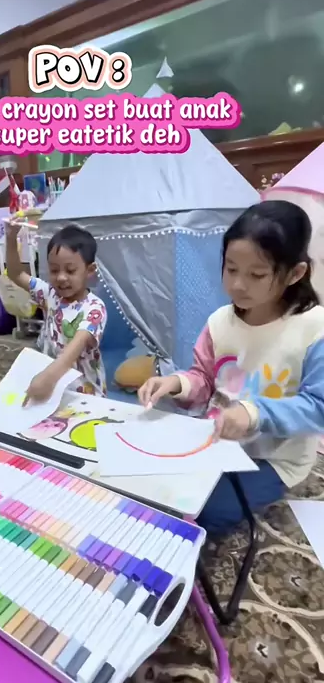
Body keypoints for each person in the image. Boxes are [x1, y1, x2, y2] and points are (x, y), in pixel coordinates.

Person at [138, 200, 324, 534]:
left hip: (274, 458)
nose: (238, 284)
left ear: (295, 274)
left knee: (202, 512)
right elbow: (204, 379)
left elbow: (318, 407)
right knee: (155, 488)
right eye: (231, 269)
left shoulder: (314, 329)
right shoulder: (219, 323)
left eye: (257, 274)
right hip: (217, 439)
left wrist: (252, 414)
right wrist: (176, 383)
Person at [6, 221, 107, 402]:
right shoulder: (49, 294)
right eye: (54, 270)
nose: (61, 277)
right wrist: (11, 237)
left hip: (85, 393)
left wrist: (48, 377)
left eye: (70, 270)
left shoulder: (94, 308)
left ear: (89, 270)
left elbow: (75, 347)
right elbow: (16, 274)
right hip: (54, 389)